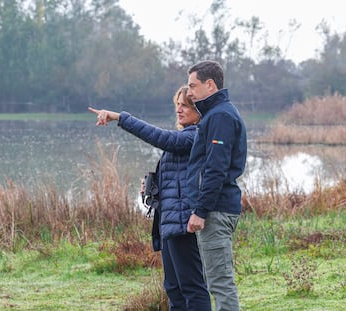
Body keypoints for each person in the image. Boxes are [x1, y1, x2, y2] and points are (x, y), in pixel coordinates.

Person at [88, 85, 212, 311]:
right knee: (173, 288)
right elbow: (179, 177)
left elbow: (161, 138)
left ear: (199, 111)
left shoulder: (196, 136)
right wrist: (154, 186)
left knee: (192, 287)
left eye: (185, 105)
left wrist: (119, 117)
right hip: (169, 221)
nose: (179, 110)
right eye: (177, 105)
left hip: (184, 222)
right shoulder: (185, 137)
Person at [186, 60, 247, 311]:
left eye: (193, 85)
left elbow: (215, 170)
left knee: (221, 283)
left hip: (216, 210)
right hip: (218, 208)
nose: (189, 92)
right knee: (217, 281)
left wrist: (201, 211)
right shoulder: (214, 114)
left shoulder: (220, 115)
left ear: (210, 85)